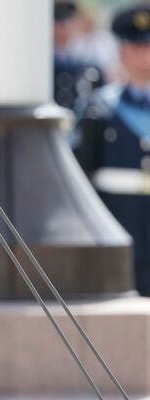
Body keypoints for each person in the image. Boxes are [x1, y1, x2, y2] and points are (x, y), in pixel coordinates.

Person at [75, 4, 150, 296]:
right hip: (116, 236)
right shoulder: (99, 109)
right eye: (136, 47)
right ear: (122, 52)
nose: (144, 56)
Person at [53, 0, 103, 110]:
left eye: (68, 21)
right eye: (59, 22)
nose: (63, 27)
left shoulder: (82, 62)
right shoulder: (44, 63)